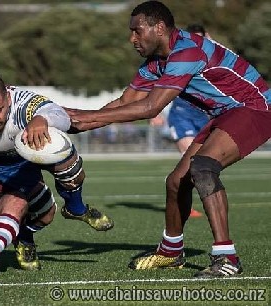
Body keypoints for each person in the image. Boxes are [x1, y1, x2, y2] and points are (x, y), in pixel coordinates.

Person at [67, 0, 271, 278]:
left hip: (254, 108)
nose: (132, 38)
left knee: (203, 167)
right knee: (176, 182)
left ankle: (227, 258)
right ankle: (171, 252)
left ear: (159, 27)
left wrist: (84, 116)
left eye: (137, 31)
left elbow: (151, 107)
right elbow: (125, 102)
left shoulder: (187, 51)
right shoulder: (155, 63)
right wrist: (74, 123)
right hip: (225, 114)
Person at [0, 67, 114, 270]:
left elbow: (58, 114)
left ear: (7, 95)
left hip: (23, 161)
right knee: (42, 214)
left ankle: (75, 208)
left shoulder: (24, 104)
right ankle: (24, 238)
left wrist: (42, 119)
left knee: (66, 164)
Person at [153, 24, 213, 219]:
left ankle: (179, 187)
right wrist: (157, 112)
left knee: (204, 163)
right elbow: (162, 85)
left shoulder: (214, 58)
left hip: (203, 116)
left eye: (201, 39)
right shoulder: (179, 57)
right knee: (191, 160)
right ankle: (181, 197)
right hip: (181, 115)